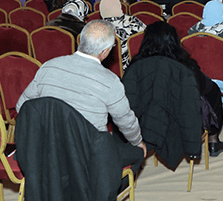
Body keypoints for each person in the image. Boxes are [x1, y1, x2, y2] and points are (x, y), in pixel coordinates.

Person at [16, 20, 147, 169]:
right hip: (90, 155)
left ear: (80, 41)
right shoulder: (110, 81)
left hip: (50, 150)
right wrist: (138, 142)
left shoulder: (48, 67)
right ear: (105, 51)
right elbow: (125, 121)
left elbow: (22, 106)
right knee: (138, 153)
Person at [123, 21, 223, 159]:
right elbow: (207, 88)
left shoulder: (135, 67)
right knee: (213, 91)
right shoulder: (185, 67)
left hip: (144, 126)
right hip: (179, 129)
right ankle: (213, 140)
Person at [99, 0, 146, 70]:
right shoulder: (134, 21)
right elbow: (147, 36)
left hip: (107, 71)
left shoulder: (98, 28)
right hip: (136, 68)